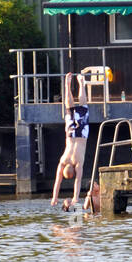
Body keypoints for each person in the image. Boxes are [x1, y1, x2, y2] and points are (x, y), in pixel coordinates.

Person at [51, 72, 89, 208]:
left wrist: (55, 197)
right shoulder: (68, 162)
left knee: (76, 108)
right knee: (72, 109)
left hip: (79, 135)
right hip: (73, 135)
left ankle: (74, 84)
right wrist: (75, 197)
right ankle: (75, 84)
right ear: (70, 169)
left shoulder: (68, 162)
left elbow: (59, 182)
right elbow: (75, 181)